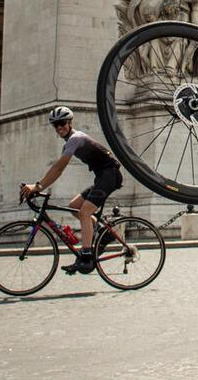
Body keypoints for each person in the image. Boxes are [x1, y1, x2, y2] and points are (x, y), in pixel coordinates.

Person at [20, 106, 124, 275]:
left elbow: (58, 168)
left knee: (84, 212)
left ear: (69, 123)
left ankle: (87, 255)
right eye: (55, 125)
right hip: (102, 176)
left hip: (110, 175)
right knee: (74, 206)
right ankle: (103, 235)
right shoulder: (69, 143)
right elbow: (57, 169)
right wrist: (38, 186)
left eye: (62, 123)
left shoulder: (75, 138)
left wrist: (37, 186)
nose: (59, 127)